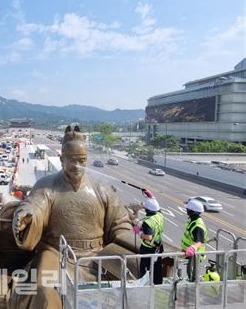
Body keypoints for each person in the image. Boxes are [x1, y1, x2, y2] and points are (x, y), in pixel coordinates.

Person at [11, 125, 135, 308]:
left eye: (82, 160)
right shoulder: (47, 186)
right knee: (44, 288)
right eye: (72, 160)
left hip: (97, 255)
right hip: (56, 252)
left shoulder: (102, 189)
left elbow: (120, 222)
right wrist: (27, 216)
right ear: (62, 159)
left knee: (126, 284)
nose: (77, 166)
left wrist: (128, 239)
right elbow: (35, 206)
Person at [133, 197, 164, 284]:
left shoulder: (148, 222)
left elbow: (148, 237)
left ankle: (145, 286)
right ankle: (158, 285)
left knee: (145, 270)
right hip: (158, 248)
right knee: (157, 269)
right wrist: (152, 198)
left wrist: (139, 232)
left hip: (148, 249)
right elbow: (158, 209)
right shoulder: (160, 215)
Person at [181, 199, 208, 282]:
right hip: (190, 254)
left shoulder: (197, 226)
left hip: (195, 256)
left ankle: (192, 288)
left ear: (192, 211)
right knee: (189, 273)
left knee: (192, 276)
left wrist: (193, 248)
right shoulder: (193, 220)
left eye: (188, 209)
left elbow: (200, 242)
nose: (186, 210)